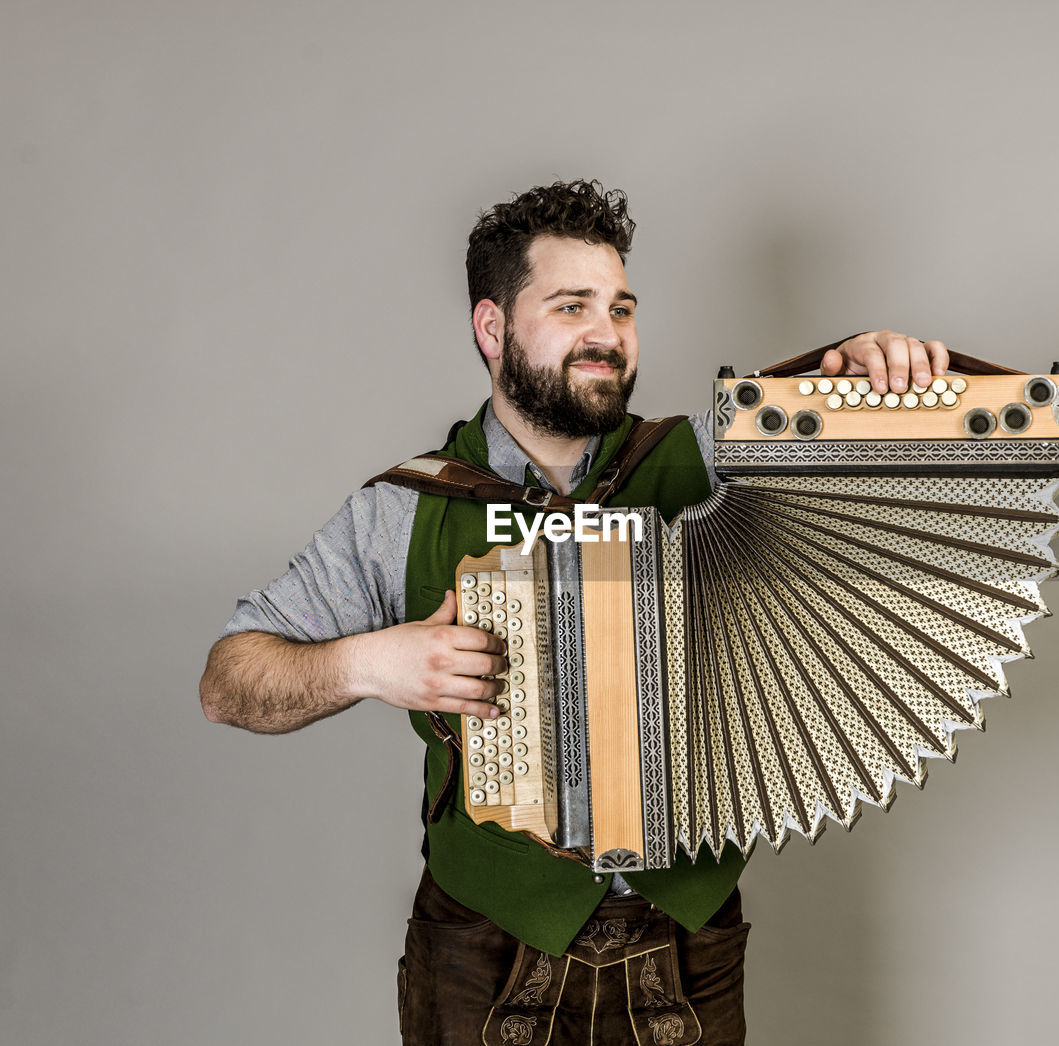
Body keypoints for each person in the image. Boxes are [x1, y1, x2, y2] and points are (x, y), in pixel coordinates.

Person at [200, 179, 949, 1045]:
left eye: (621, 308)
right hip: (483, 947)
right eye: (571, 306)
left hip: (688, 940)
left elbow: (901, 472)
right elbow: (228, 682)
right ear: (492, 328)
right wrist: (370, 664)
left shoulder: (707, 458)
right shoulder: (401, 510)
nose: (608, 334)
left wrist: (869, 374)